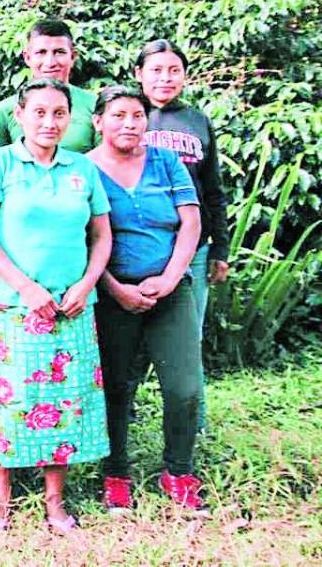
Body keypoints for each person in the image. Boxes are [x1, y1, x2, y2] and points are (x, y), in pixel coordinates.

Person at [0, 78, 112, 534]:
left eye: (59, 114)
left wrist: (86, 284)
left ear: (70, 119)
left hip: (71, 310)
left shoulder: (82, 169)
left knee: (63, 404)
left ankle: (55, 503)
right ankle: (2, 502)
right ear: (21, 116)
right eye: (40, 112)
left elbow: (101, 235)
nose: (49, 122)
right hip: (15, 309)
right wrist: (26, 287)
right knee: (9, 404)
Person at [87, 86, 207, 514]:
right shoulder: (83, 171)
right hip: (112, 293)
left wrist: (171, 278)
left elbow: (190, 223)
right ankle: (116, 472)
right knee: (117, 387)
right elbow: (83, 240)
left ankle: (178, 470)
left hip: (171, 290)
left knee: (185, 387)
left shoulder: (165, 161)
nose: (130, 124)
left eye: (137, 116)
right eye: (118, 115)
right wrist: (115, 288)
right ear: (98, 122)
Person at [135, 39, 229, 431]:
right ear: (139, 75)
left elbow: (214, 189)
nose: (164, 78)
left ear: (185, 76)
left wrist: (220, 248)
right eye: (155, 70)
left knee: (187, 341)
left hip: (193, 250)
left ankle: (195, 427)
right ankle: (120, 421)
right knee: (131, 343)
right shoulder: (126, 116)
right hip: (138, 247)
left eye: (173, 70)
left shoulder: (196, 121)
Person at [0, 19, 97, 153]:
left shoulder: (95, 105)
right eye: (41, 53)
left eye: (59, 52)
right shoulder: (5, 110)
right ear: (27, 58)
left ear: (73, 57)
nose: (50, 62)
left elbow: (109, 164)